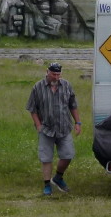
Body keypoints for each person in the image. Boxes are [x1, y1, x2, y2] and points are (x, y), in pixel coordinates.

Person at [26, 62, 82, 196]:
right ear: (47, 72)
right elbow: (32, 109)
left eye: (58, 74)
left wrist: (78, 122)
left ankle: (58, 177)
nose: (56, 77)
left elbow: (73, 105)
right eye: (53, 74)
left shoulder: (67, 85)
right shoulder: (38, 87)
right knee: (46, 158)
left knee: (68, 155)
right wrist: (38, 125)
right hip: (46, 129)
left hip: (64, 127)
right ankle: (47, 185)